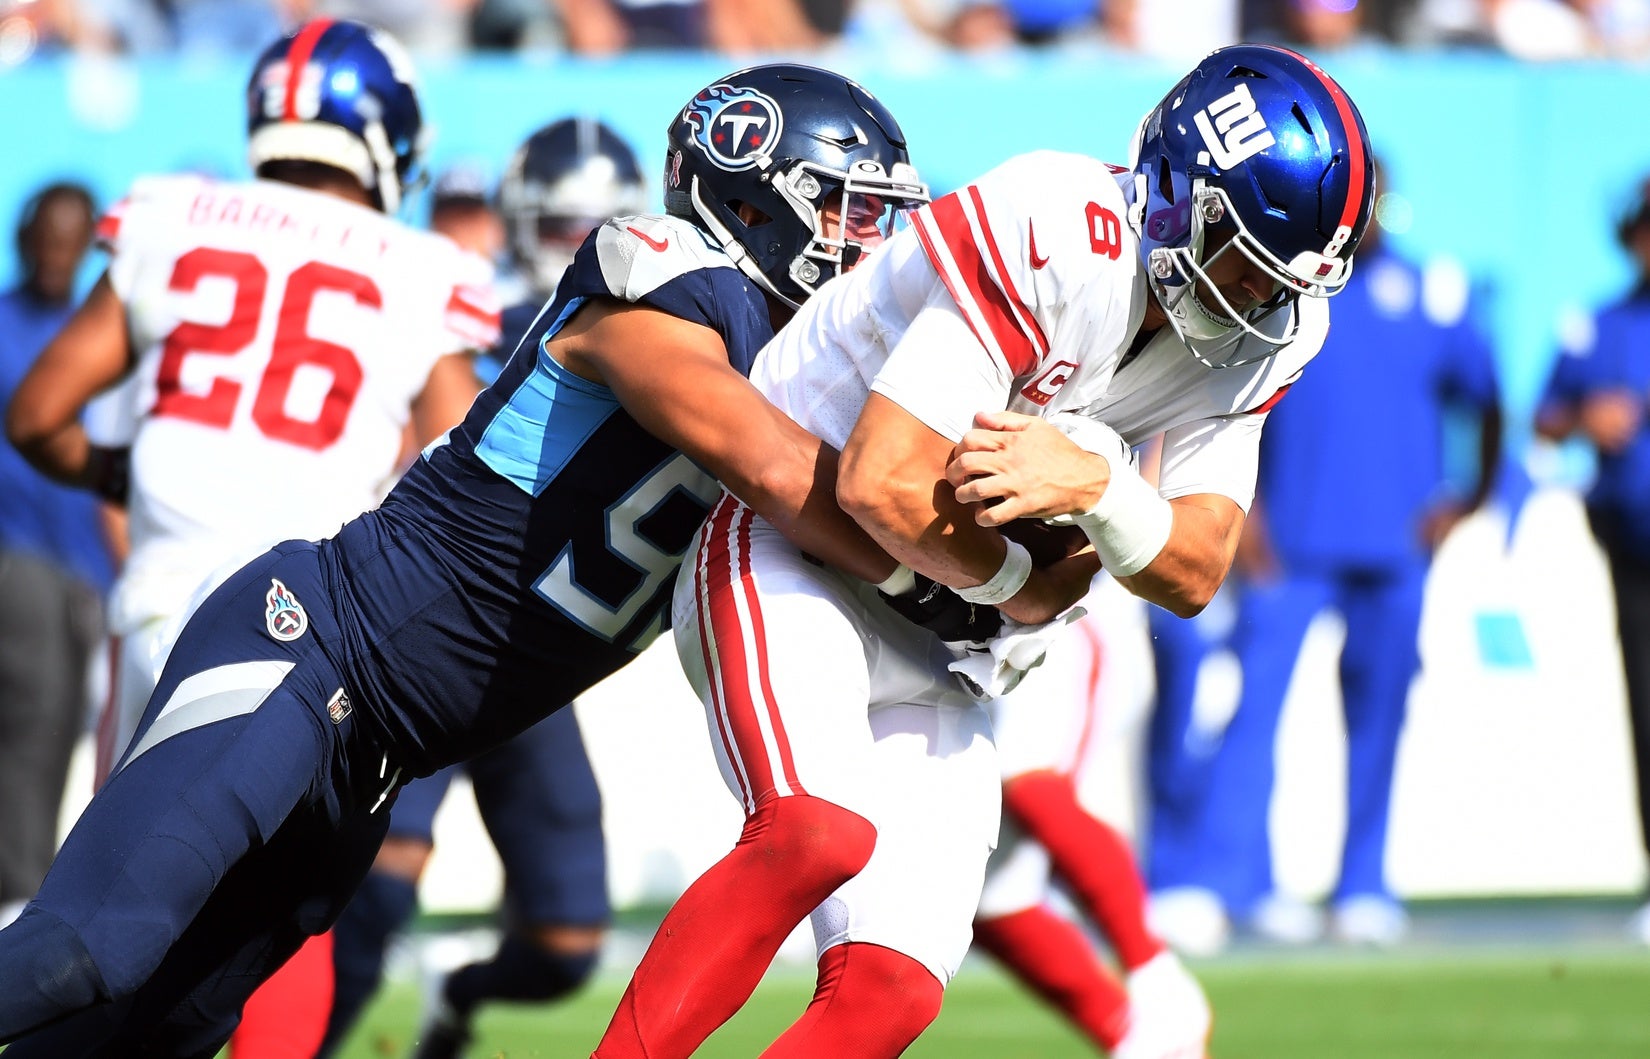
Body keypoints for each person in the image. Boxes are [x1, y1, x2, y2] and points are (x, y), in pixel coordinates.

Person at [0, 54, 932, 1056]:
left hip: (376, 761)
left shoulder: (800, 372)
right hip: (309, 655)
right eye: (846, 210)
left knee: (148, 1036)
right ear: (749, 201)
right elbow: (776, 467)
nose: (868, 244)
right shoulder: (665, 284)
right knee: (85, 951)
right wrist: (943, 569)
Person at [597, 42, 1375, 1059]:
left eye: (1277, 280)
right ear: (1177, 192)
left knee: (891, 990)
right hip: (798, 546)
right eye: (1240, 257)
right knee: (811, 831)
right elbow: (881, 477)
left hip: (949, 638)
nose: (1254, 300)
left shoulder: (1279, 327)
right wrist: (1021, 582)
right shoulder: (1059, 227)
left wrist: (1099, 488)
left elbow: (1195, 568)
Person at [9, 20, 501, 1059]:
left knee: (109, 914)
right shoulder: (422, 269)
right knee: (269, 918)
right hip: (311, 623)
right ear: (381, 135)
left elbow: (39, 414)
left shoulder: (174, 215)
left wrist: (128, 477)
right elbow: (469, 475)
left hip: (162, 605)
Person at [318, 116, 648, 1059]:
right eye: (561, 224)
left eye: (593, 224)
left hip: (532, 654)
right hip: (428, 617)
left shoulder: (658, 330)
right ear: (519, 219)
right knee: (379, 878)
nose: (574, 244)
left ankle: (455, 996)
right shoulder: (470, 310)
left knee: (568, 942)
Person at [1154, 161, 1503, 949]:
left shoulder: (1433, 295)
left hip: (1396, 550)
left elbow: (1486, 399)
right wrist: (1248, 518)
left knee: (1380, 718)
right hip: (1291, 546)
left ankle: (1364, 884)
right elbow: (1222, 406)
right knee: (1253, 712)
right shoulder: (1281, 289)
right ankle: (1227, 882)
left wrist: (1468, 499)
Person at [972, 579, 1211, 1058]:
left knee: (1031, 783)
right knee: (982, 895)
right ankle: (1140, 1039)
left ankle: (1156, 976)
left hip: (1061, 615)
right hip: (977, 627)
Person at [1536, 175, 1650, 944]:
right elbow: (1545, 417)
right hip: (1635, 546)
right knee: (1647, 710)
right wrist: (1585, 417)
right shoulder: (1601, 324)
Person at [0, 181, 113, 928]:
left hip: (89, 570)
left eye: (70, 242)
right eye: (46, 238)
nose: (56, 253)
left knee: (66, 727)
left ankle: (32, 896)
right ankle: (16, 898)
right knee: (32, 724)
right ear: (24, 238)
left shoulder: (92, 332)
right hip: (18, 558)